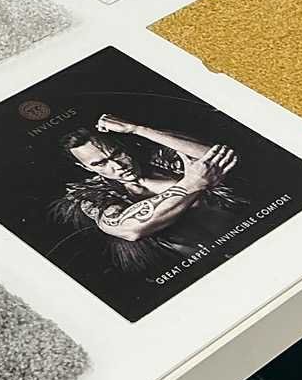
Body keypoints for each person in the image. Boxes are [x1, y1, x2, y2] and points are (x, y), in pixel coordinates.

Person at [51, 113, 243, 271]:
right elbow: (129, 229)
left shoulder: (158, 160)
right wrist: (192, 183)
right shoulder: (93, 195)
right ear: (85, 168)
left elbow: (218, 157)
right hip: (210, 265)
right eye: (100, 164)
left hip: (245, 234)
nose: (117, 166)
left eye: (117, 154)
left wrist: (137, 129)